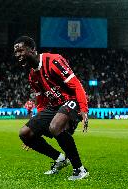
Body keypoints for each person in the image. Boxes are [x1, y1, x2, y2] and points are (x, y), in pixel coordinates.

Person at [14, 36, 89, 181]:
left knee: (55, 127)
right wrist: (37, 128)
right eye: (15, 52)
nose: (17, 55)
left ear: (32, 50)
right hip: (54, 106)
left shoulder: (53, 60)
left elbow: (76, 84)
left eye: (20, 51)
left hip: (71, 100)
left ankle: (80, 169)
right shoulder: (32, 75)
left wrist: (84, 109)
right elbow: (41, 101)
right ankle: (59, 159)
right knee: (25, 133)